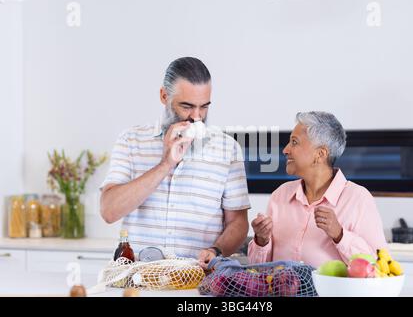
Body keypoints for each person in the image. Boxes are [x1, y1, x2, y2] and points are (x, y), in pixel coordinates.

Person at [100, 57, 250, 268]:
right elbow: (109, 211)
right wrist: (165, 164)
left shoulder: (228, 148)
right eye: (187, 106)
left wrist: (216, 250)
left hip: (197, 281)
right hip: (137, 278)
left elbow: (238, 222)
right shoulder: (131, 141)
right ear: (164, 96)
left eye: (204, 107)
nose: (197, 117)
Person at [248, 111, 388, 268]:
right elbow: (257, 270)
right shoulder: (280, 195)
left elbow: (378, 266)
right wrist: (261, 240)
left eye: (294, 142)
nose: (285, 150)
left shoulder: (358, 198)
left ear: (320, 154)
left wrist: (340, 235)